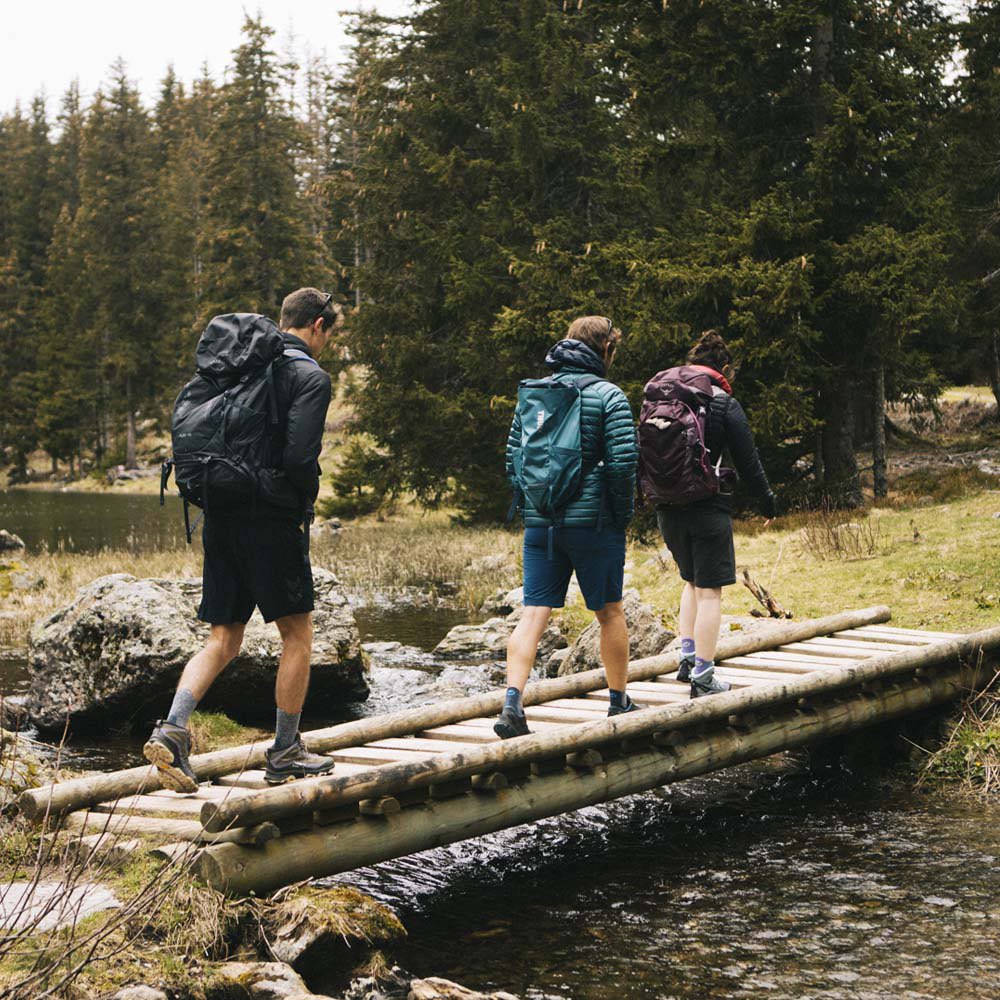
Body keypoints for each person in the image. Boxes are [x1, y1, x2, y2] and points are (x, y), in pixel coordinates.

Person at [144, 287, 341, 791]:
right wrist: (299, 500)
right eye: (328, 333)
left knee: (223, 638)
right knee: (297, 636)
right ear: (318, 325)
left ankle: (171, 730)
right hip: (271, 521)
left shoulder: (236, 369)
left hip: (220, 515)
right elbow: (299, 459)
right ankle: (286, 750)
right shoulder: (308, 377)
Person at [495, 316, 640, 739]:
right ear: (605, 350)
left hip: (542, 525)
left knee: (533, 612)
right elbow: (621, 464)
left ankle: (512, 705)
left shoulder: (536, 393)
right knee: (609, 611)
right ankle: (618, 702)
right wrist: (620, 514)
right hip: (594, 525)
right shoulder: (608, 395)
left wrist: (535, 507)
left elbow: (512, 461)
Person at [654, 330, 777, 698]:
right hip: (708, 508)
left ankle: (687, 659)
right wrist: (767, 501)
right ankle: (704, 677)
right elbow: (749, 461)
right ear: (724, 368)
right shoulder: (723, 403)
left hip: (667, 506)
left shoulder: (665, 394)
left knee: (691, 581)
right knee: (710, 592)